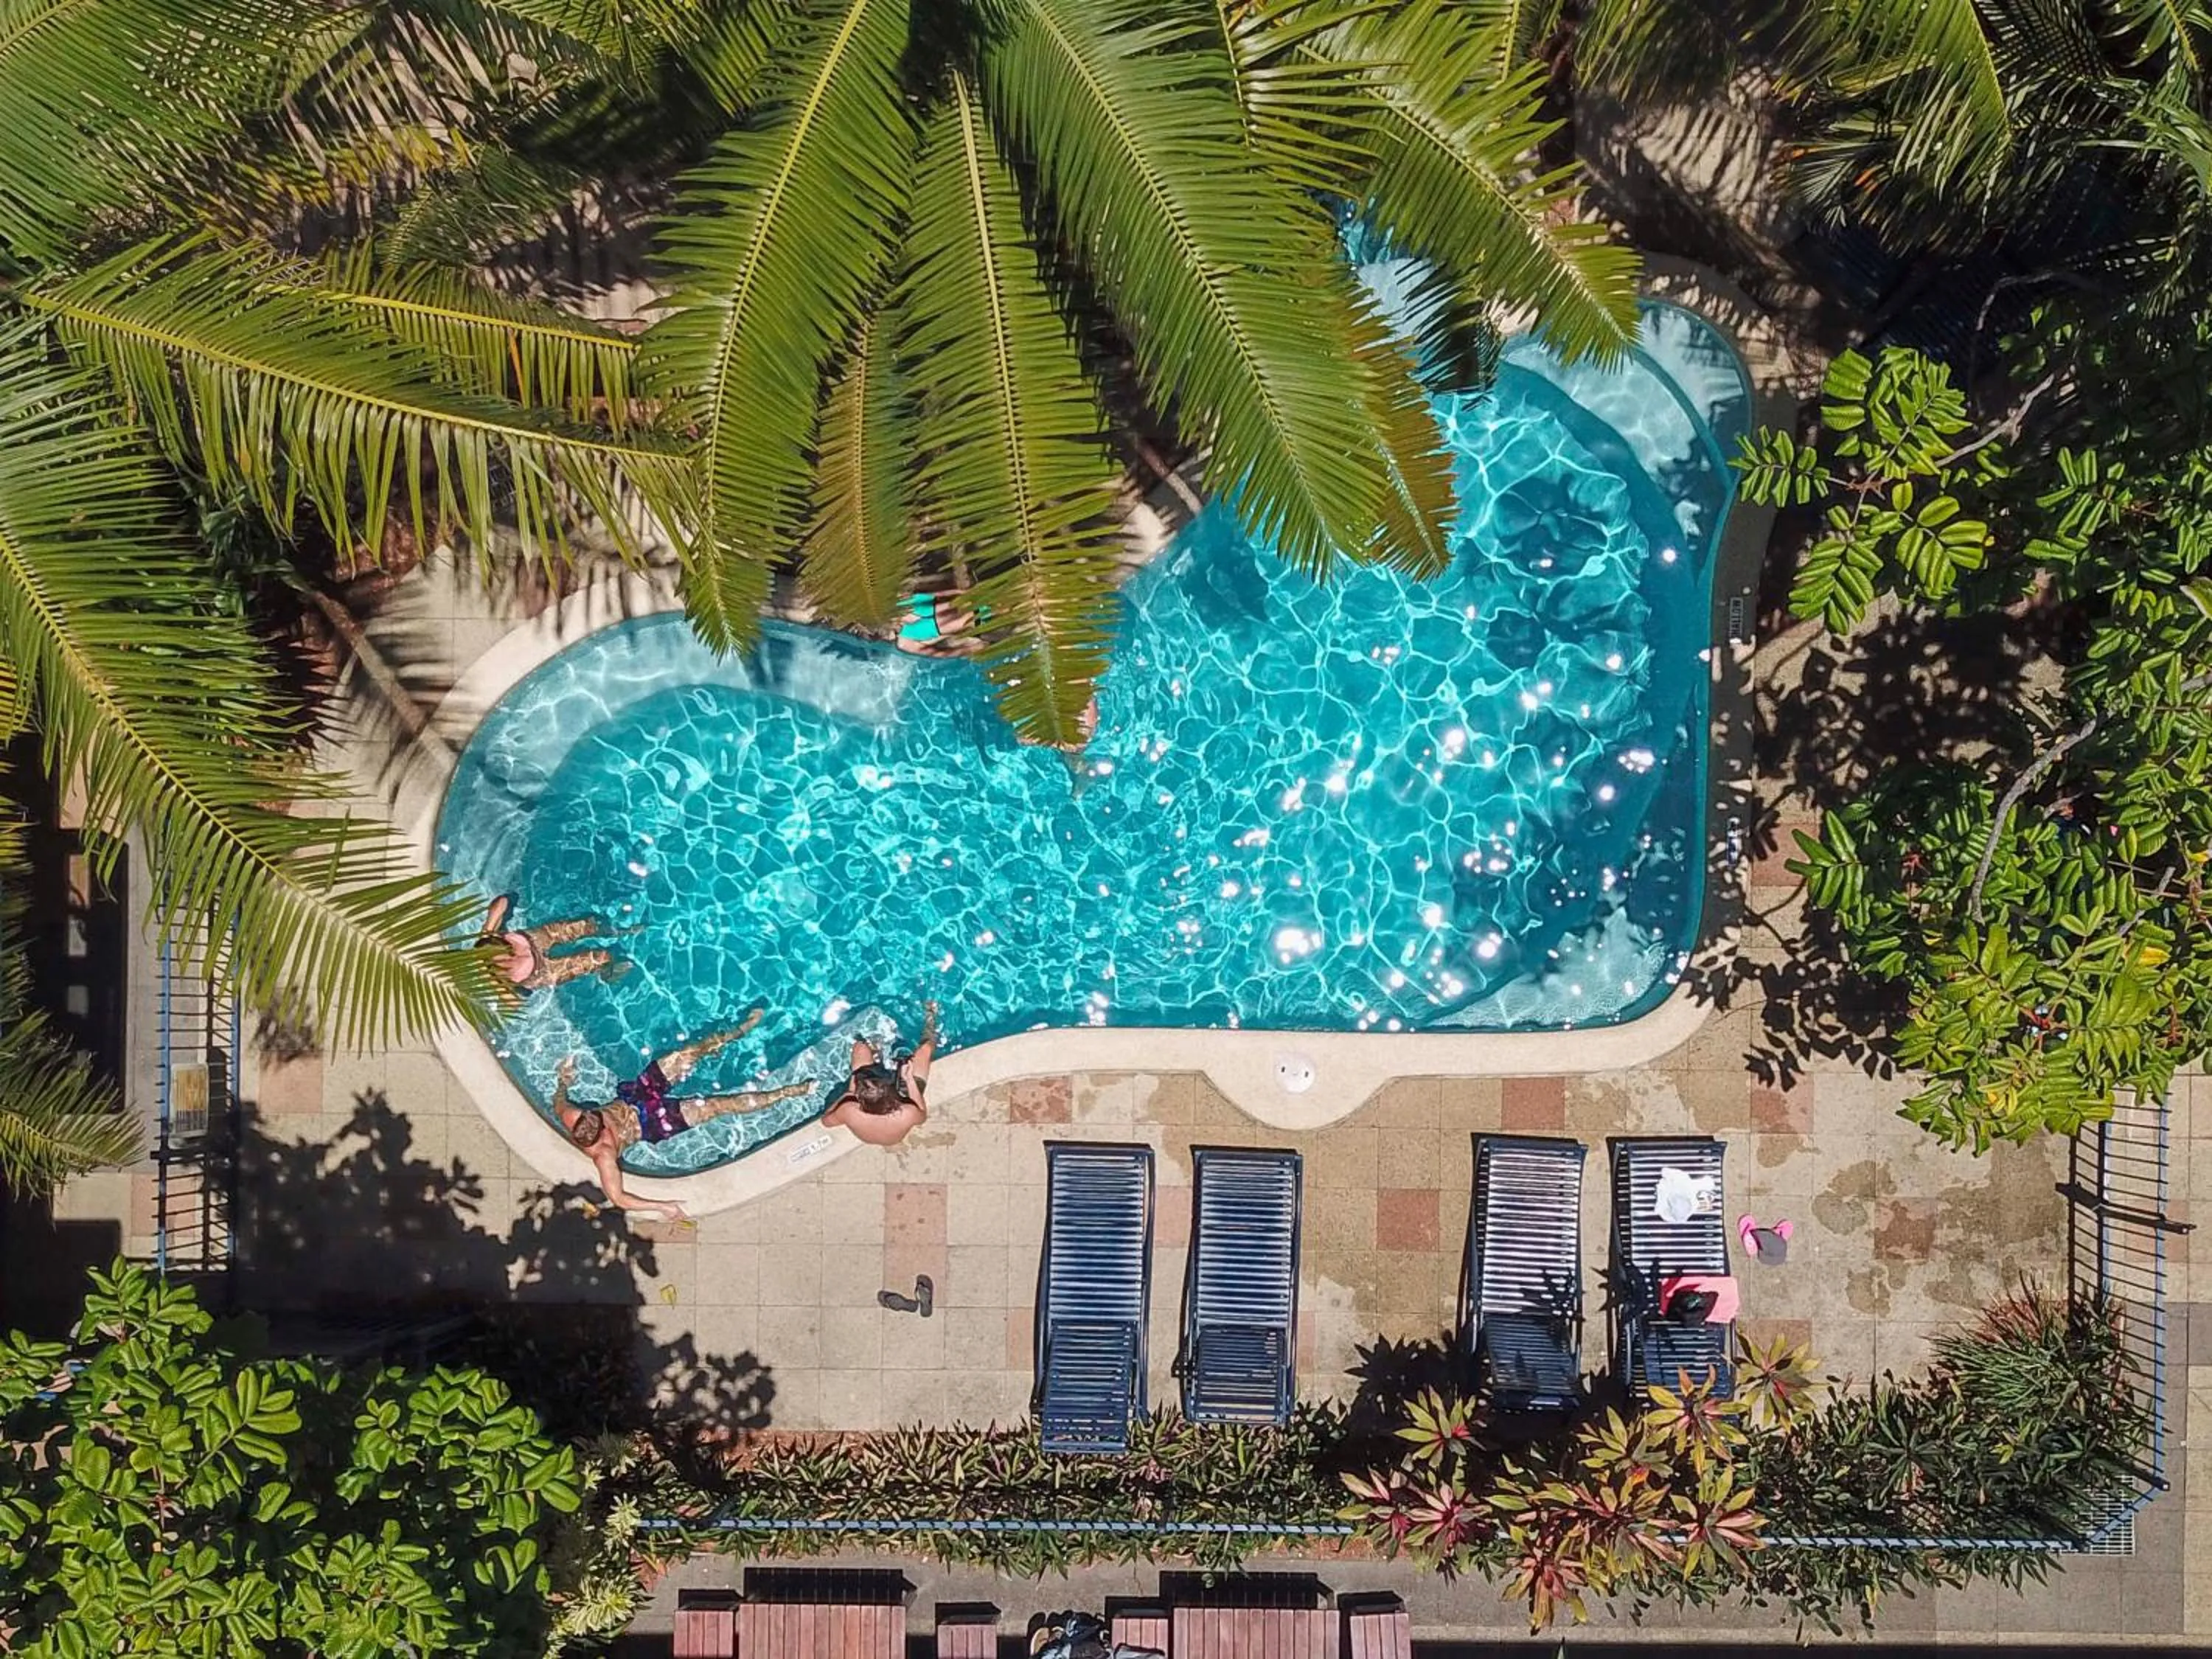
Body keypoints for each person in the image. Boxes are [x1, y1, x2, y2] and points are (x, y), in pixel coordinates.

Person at [553, 1012, 810, 1219]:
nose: (597, 1115)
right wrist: (663, 1206)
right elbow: (619, 1199)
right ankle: (787, 1092)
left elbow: (559, 1102)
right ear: (602, 1135)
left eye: (593, 1114)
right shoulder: (604, 1156)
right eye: (600, 1122)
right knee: (719, 1106)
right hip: (652, 1123)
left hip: (635, 1096)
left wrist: (563, 1081)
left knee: (688, 1053)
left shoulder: (573, 1116)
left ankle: (739, 1031)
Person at [822, 1003, 938, 1147]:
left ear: (860, 1097)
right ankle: (931, 1015)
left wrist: (848, 1094)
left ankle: (874, 1051)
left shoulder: (849, 1110)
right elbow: (922, 1117)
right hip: (896, 1114)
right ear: (891, 1092)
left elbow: (826, 1122)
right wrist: (909, 1080)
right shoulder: (905, 1113)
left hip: (866, 1112)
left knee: (860, 1048)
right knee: (926, 1049)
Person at [479, 893, 631, 997]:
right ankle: (616, 949)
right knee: (596, 957)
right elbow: (512, 1004)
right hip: (540, 970)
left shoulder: (489, 941)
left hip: (533, 941)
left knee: (586, 930)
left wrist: (489, 926)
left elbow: (502, 902)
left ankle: (617, 933)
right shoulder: (500, 978)